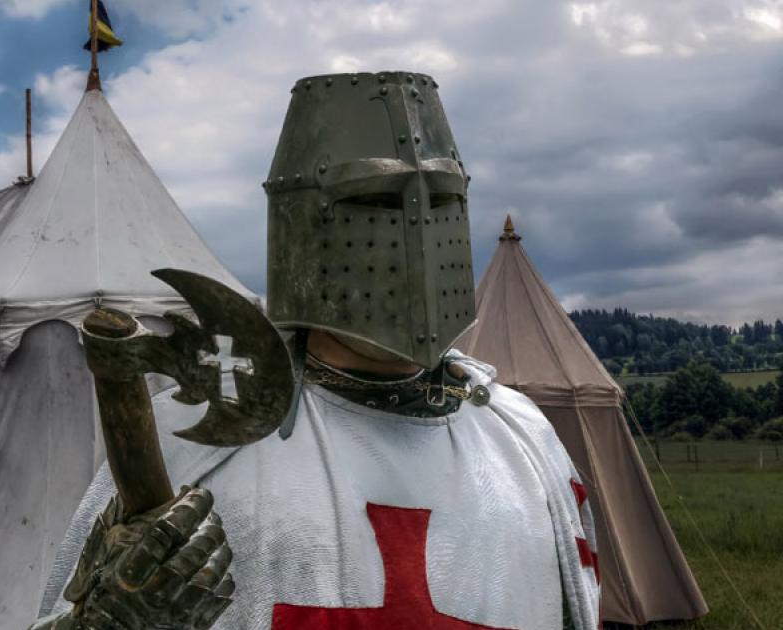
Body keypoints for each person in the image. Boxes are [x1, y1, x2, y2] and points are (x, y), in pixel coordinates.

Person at [31, 72, 601, 630]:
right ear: (302, 224)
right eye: (375, 201)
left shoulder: (523, 436)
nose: (416, 231)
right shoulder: (194, 439)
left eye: (443, 196)